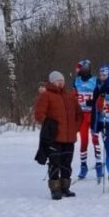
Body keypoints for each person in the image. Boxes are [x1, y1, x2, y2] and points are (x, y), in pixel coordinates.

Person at [33, 71, 83, 200]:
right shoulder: (46, 96)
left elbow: (79, 114)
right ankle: (55, 189)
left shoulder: (70, 96)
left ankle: (65, 187)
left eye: (62, 80)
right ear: (52, 82)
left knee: (67, 163)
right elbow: (39, 114)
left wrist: (75, 127)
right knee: (55, 163)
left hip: (69, 138)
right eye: (57, 81)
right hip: (54, 137)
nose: (60, 82)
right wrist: (48, 125)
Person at [74, 59, 103, 181]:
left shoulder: (95, 80)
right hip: (82, 115)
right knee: (84, 141)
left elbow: (101, 95)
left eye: (80, 69)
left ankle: (99, 164)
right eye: (78, 69)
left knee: (95, 139)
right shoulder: (76, 81)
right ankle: (83, 165)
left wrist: (95, 101)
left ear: (86, 68)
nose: (78, 71)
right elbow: (74, 96)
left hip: (93, 114)